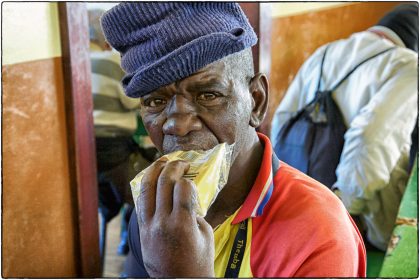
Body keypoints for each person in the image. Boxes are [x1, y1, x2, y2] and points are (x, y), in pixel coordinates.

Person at [100, 3, 366, 277]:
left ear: (256, 102)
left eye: (208, 95)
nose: (177, 125)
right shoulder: (154, 212)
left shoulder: (318, 231)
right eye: (156, 101)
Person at [271, 4, 418, 252]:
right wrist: (343, 208)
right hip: (363, 222)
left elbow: (281, 122)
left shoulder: (325, 52)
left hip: (297, 207)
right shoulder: (408, 65)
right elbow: (371, 141)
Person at [88, 9, 143, 258]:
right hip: (115, 145)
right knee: (144, 187)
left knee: (114, 195)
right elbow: (132, 102)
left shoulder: (79, 61)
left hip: (89, 148)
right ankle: (130, 242)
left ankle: (119, 233)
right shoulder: (113, 61)